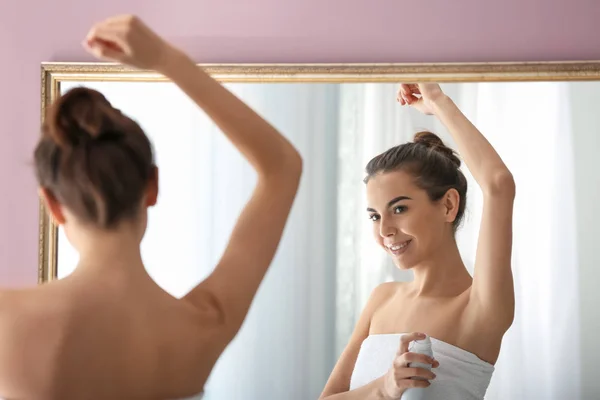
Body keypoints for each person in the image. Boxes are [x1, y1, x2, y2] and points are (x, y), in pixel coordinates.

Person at [0, 15, 302, 400]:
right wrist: (166, 59)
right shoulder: (204, 324)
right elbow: (282, 167)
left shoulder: (7, 320)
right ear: (152, 186)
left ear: (53, 204)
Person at [320, 83, 515, 399]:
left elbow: (499, 184)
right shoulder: (382, 299)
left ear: (449, 205)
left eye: (399, 208)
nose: (385, 229)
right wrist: (384, 387)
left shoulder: (480, 308)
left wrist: (438, 101)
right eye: (374, 215)